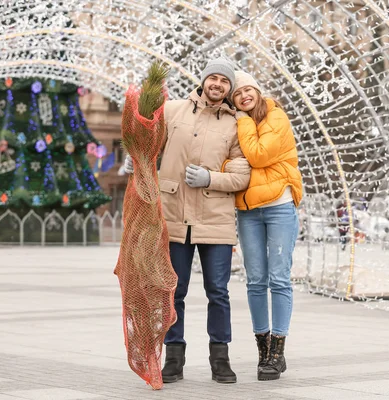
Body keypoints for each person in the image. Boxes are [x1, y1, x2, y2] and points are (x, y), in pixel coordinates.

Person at [124, 58, 250, 384]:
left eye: (224, 81)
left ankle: (220, 358)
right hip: (173, 217)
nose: (217, 85)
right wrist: (134, 158)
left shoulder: (237, 124)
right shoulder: (174, 110)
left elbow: (241, 174)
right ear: (204, 80)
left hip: (216, 220)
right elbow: (150, 144)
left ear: (229, 88)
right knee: (173, 291)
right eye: (214, 78)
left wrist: (211, 178)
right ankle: (174, 358)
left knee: (218, 292)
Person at [224, 71, 303, 381]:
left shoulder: (275, 115)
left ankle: (278, 351)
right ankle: (264, 350)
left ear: (256, 91)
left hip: (279, 206)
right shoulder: (235, 123)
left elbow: (257, 156)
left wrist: (242, 118)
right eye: (238, 93)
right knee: (256, 280)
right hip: (247, 210)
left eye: (248, 90)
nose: (244, 96)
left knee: (279, 278)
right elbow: (226, 161)